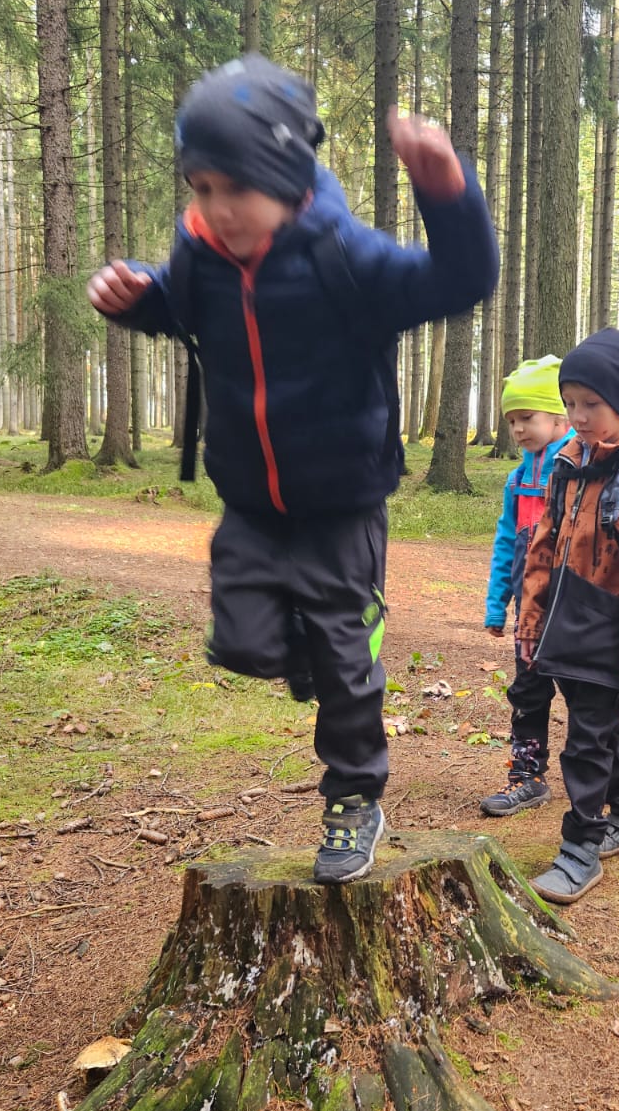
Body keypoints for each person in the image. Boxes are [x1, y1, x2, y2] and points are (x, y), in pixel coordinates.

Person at [87, 54, 499, 884]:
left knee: (346, 661)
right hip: (249, 498)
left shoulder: (347, 256)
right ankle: (309, 647)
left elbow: (462, 280)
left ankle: (354, 797)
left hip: (343, 501)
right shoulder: (201, 256)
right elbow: (177, 305)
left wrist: (447, 194)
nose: (216, 208)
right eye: (201, 187)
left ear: (283, 175)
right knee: (240, 643)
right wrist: (139, 301)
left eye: (235, 187)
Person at [517, 328, 619, 904]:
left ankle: (581, 848)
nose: (578, 416)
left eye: (591, 403)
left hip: (613, 631)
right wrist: (531, 622)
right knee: (601, 729)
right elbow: (543, 547)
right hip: (566, 624)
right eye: (569, 404)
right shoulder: (568, 463)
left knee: (585, 741)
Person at [481, 356, 619, 817]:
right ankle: (527, 777)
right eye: (511, 420)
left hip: (577, 609)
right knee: (528, 690)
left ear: (561, 419)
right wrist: (497, 604)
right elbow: (506, 542)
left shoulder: (578, 469)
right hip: (532, 610)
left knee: (586, 694)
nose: (518, 429)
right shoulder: (518, 479)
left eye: (527, 417)